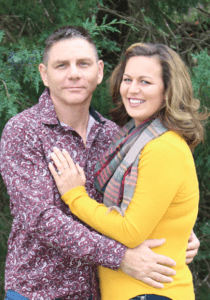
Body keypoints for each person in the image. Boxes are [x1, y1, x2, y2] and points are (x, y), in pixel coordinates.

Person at [0, 26, 199, 300]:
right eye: (61, 65)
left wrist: (181, 233)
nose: (74, 73)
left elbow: (138, 204)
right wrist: (120, 257)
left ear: (100, 71)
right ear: (44, 74)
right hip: (40, 292)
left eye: (83, 63)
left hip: (99, 292)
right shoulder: (24, 130)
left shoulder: (113, 136)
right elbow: (40, 219)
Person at [48, 42, 208, 300]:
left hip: (151, 294)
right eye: (128, 79)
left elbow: (130, 231)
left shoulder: (163, 148)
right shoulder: (133, 138)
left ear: (168, 90)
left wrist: (75, 196)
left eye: (145, 82)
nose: (133, 89)